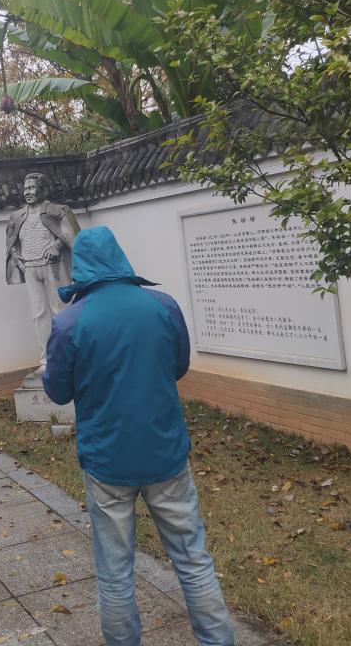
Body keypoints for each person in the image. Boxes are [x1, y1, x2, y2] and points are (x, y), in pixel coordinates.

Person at [43, 227, 235, 646]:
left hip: (106, 459)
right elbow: (178, 366)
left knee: (115, 570)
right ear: (119, 256)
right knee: (192, 558)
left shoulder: (70, 321)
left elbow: (57, 391)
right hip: (165, 451)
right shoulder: (163, 305)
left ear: (80, 266)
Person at [5, 172, 80, 374]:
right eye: (25, 189)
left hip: (54, 266)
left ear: (43, 189)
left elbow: (73, 236)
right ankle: (46, 360)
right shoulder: (16, 216)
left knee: (61, 310)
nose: (27, 192)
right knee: (39, 314)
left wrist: (56, 246)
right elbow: (12, 242)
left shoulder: (58, 210)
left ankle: (70, 356)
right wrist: (16, 256)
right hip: (30, 267)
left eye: (31, 188)